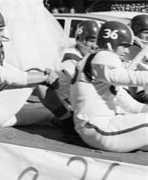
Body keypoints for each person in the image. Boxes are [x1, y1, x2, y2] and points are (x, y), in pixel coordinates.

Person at [0, 8, 73, 129]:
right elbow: (6, 77)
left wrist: (45, 75)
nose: (3, 34)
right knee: (35, 74)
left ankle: (68, 121)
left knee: (49, 113)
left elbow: (12, 71)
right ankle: (69, 120)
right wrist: (44, 77)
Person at [71, 21, 148, 152]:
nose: (127, 50)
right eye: (123, 45)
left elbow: (132, 106)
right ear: (110, 44)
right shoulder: (102, 56)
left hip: (99, 128)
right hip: (98, 127)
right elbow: (127, 78)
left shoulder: (101, 69)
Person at [56, 20, 100, 108]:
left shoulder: (84, 55)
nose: (95, 45)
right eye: (92, 41)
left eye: (98, 41)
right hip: (68, 105)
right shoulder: (70, 59)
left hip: (79, 101)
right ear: (81, 40)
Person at [126, 14, 148, 103]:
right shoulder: (129, 51)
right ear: (135, 33)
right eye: (146, 33)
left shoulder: (144, 48)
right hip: (139, 99)